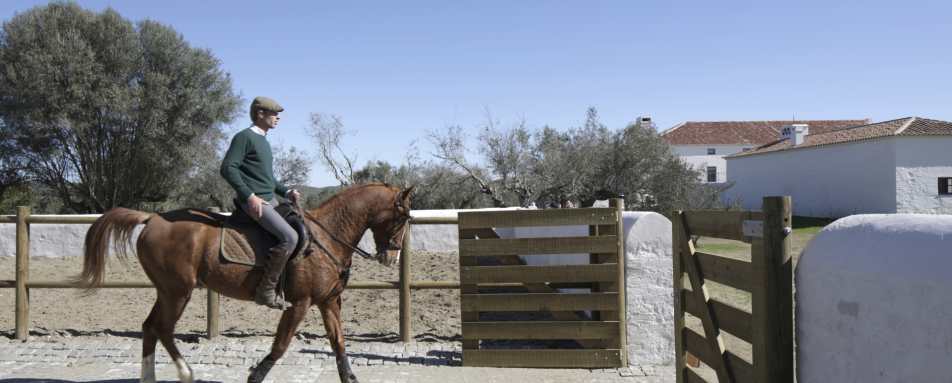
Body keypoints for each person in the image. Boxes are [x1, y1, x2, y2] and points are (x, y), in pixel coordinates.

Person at [220, 96, 302, 310]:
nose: (278, 118)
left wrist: (287, 191)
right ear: (260, 114)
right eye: (274, 114)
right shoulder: (244, 137)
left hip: (270, 199)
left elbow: (267, 179)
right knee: (290, 237)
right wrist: (249, 195)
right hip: (255, 203)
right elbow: (228, 168)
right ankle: (265, 291)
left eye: (278, 115)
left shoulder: (263, 141)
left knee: (301, 227)